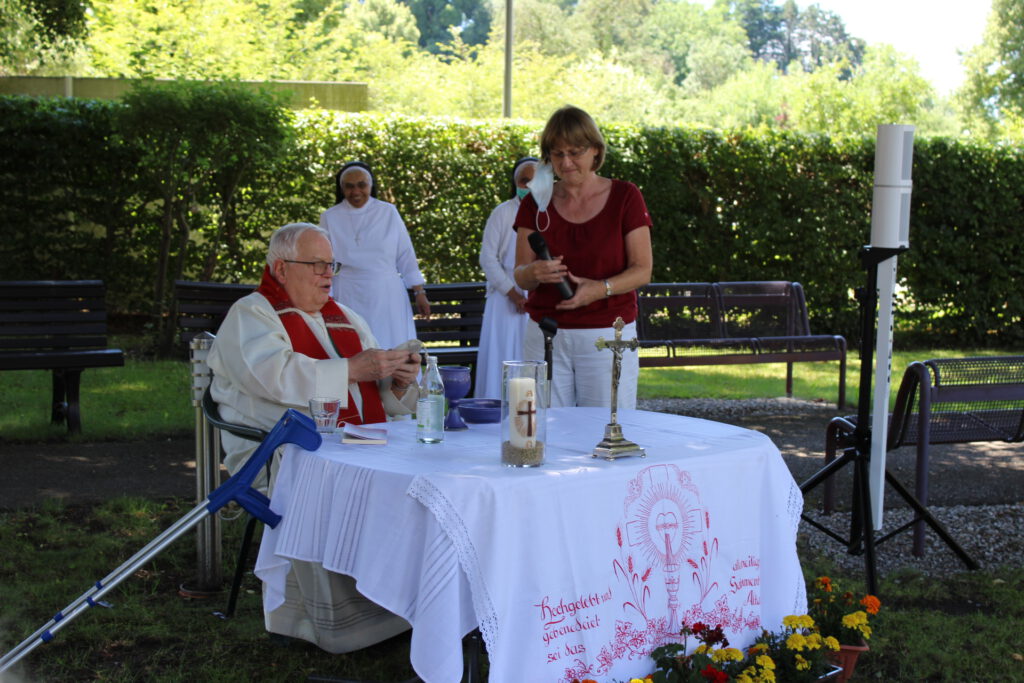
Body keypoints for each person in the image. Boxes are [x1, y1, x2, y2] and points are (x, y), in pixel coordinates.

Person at [207, 222, 420, 654]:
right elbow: (275, 376)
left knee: (415, 478)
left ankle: (407, 606)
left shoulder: (346, 318)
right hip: (277, 450)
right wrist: (352, 369)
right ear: (282, 268)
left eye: (332, 264)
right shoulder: (252, 314)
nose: (329, 274)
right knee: (351, 481)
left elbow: (375, 398)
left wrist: (397, 380)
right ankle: (342, 625)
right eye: (318, 264)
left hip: (349, 442)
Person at [513, 106, 653, 409]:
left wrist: (600, 288)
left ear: (595, 150)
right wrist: (534, 272)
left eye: (575, 152)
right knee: (542, 433)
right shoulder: (536, 202)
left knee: (605, 433)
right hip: (546, 334)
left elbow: (643, 270)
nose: (566, 162)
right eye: (557, 153)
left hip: (607, 332)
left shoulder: (625, 196)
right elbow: (519, 274)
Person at [319, 161, 431, 351]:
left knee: (389, 345)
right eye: (349, 186)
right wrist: (324, 296)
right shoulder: (330, 216)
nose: (356, 191)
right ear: (341, 188)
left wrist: (419, 292)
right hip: (347, 292)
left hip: (386, 292)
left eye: (361, 185)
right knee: (353, 347)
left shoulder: (388, 212)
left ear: (371, 186)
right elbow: (324, 260)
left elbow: (405, 255)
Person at [474, 156, 537, 398]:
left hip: (540, 299)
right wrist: (513, 293)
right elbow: (488, 258)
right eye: (524, 181)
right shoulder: (502, 213)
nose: (529, 186)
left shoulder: (552, 212)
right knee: (504, 356)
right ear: (515, 183)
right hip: (505, 299)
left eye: (535, 181)